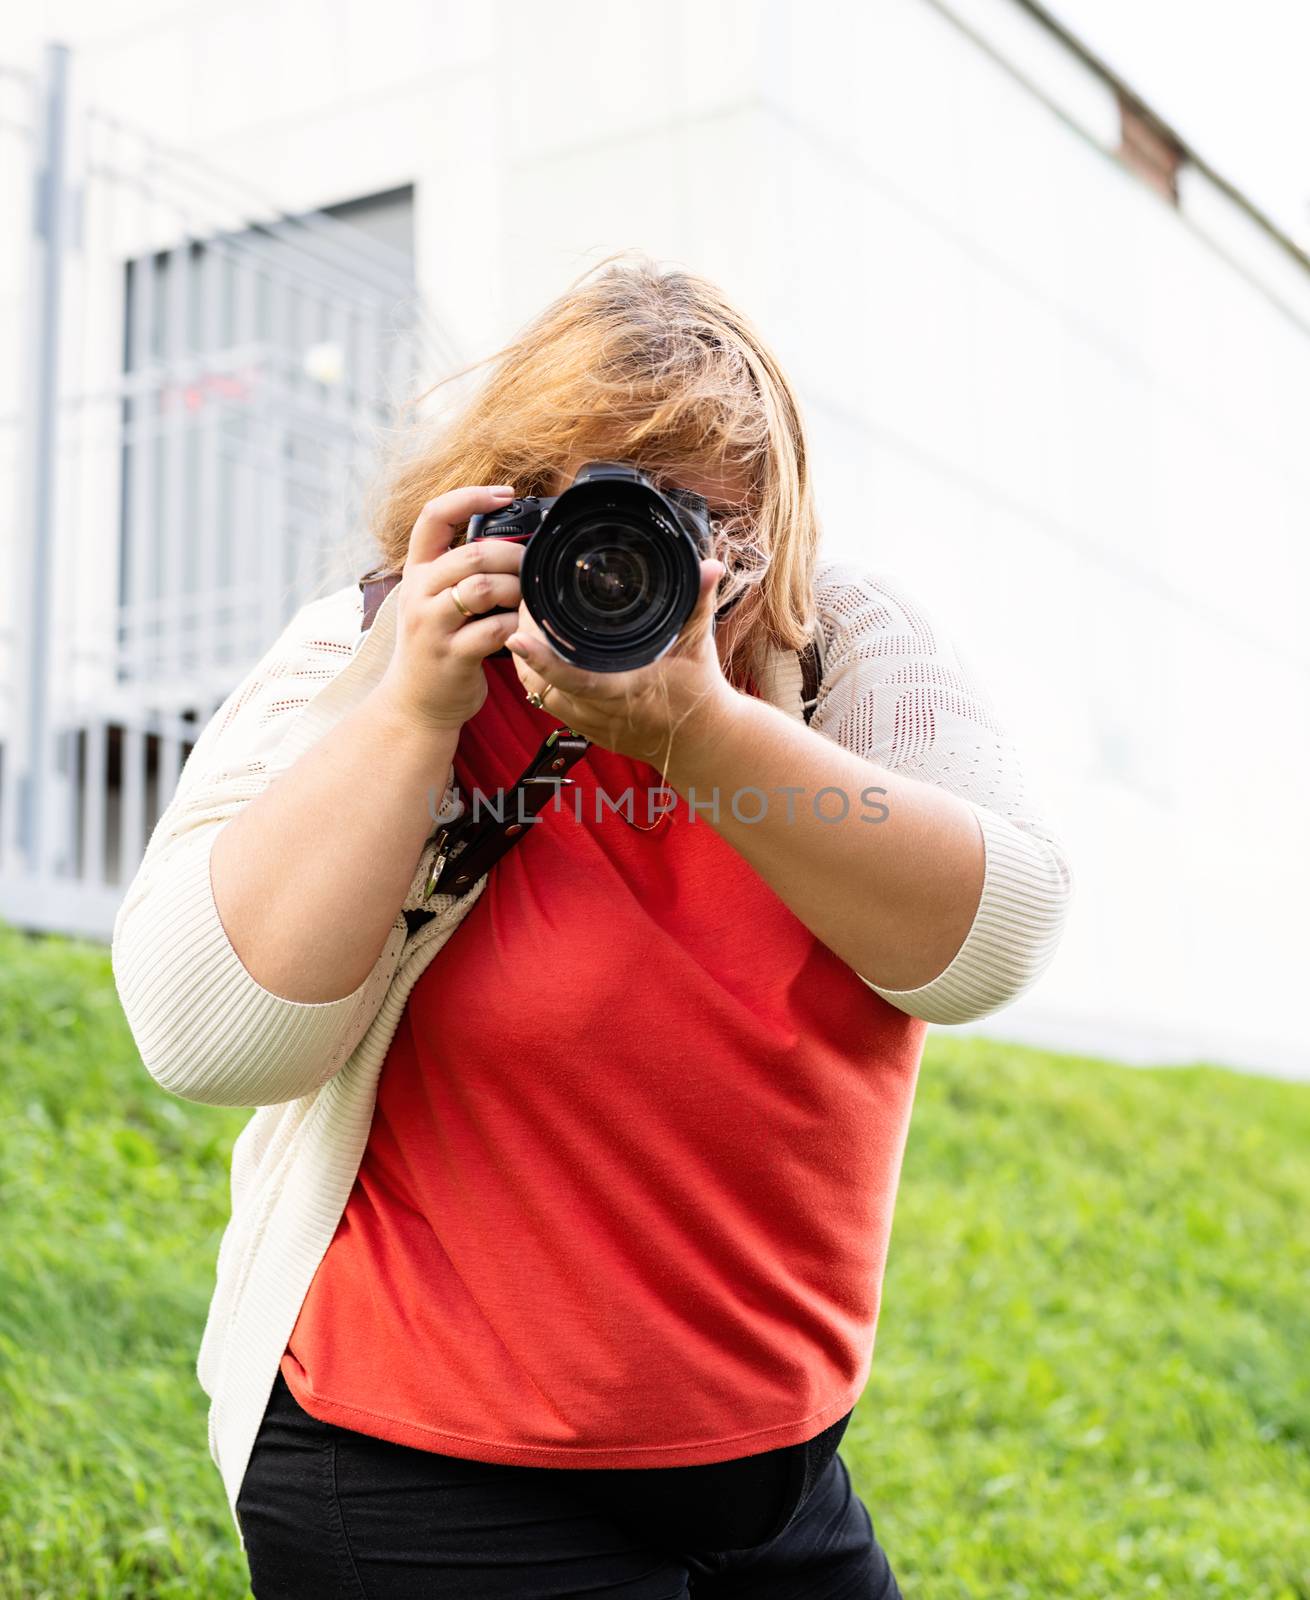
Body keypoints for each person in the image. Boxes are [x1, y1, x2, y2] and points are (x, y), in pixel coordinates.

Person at [112, 252, 1074, 1598]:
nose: (626, 550)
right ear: (494, 493)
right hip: (430, 1473)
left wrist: (699, 732)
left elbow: (991, 944)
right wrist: (407, 715)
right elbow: (206, 1036)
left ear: (770, 524)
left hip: (770, 1483)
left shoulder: (836, 652)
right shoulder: (378, 649)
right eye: (573, 502)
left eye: (697, 517)